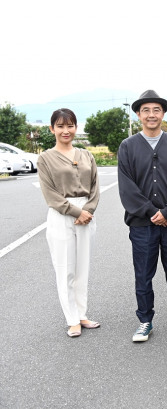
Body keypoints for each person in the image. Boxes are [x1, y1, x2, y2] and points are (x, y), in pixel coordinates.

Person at [117, 89, 167, 342]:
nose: (151, 115)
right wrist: (154, 213)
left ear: (163, 114)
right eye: (146, 110)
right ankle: (145, 321)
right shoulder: (128, 147)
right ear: (139, 115)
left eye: (156, 110)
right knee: (143, 274)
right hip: (142, 224)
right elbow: (127, 187)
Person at [38, 108, 100, 338]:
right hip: (61, 215)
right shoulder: (45, 158)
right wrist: (76, 212)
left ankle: (82, 314)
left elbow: (95, 187)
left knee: (83, 268)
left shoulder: (86, 155)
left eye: (70, 125)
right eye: (61, 126)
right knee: (65, 269)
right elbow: (50, 194)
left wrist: (88, 210)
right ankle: (71, 319)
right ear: (52, 128)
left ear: (76, 127)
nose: (66, 130)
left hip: (86, 214)